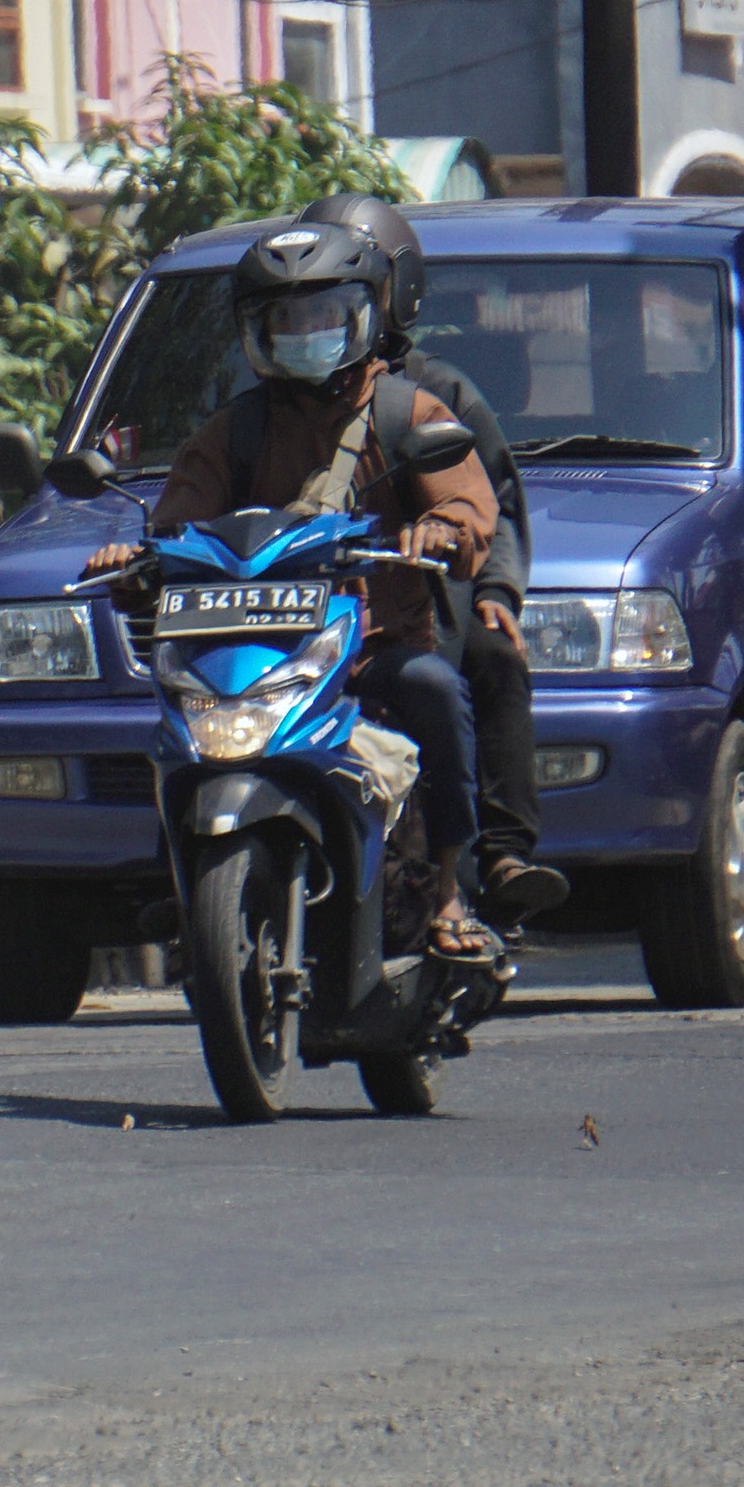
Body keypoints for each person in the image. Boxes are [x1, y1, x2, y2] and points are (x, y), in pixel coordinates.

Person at [89, 215, 504, 960]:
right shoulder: (234, 431)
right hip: (258, 652)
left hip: (370, 650)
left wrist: (439, 530)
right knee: (177, 727)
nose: (304, 333)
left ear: (363, 317)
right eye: (285, 319)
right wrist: (137, 560)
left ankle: (449, 890)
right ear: (258, 331)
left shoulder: (407, 412)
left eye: (322, 315)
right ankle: (183, 884)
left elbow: (467, 505)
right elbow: (177, 525)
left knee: (438, 691)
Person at [300, 191, 569, 922]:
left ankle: (500, 854)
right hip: (307, 609)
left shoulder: (435, 392)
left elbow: (494, 503)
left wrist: (496, 591)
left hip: (425, 597)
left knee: (493, 655)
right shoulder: (269, 407)